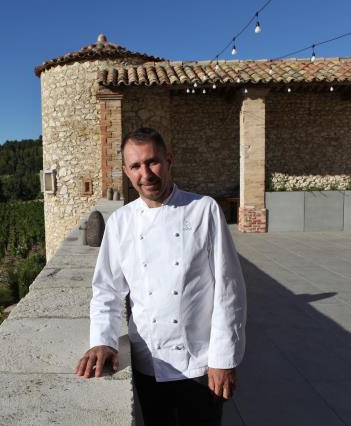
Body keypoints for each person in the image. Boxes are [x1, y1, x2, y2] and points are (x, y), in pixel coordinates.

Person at [74, 127, 247, 426]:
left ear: (168, 161)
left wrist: (224, 359)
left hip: (200, 365)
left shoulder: (203, 210)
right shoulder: (120, 222)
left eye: (152, 162)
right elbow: (107, 291)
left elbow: (229, 290)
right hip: (148, 361)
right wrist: (103, 341)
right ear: (127, 172)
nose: (146, 173)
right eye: (136, 166)